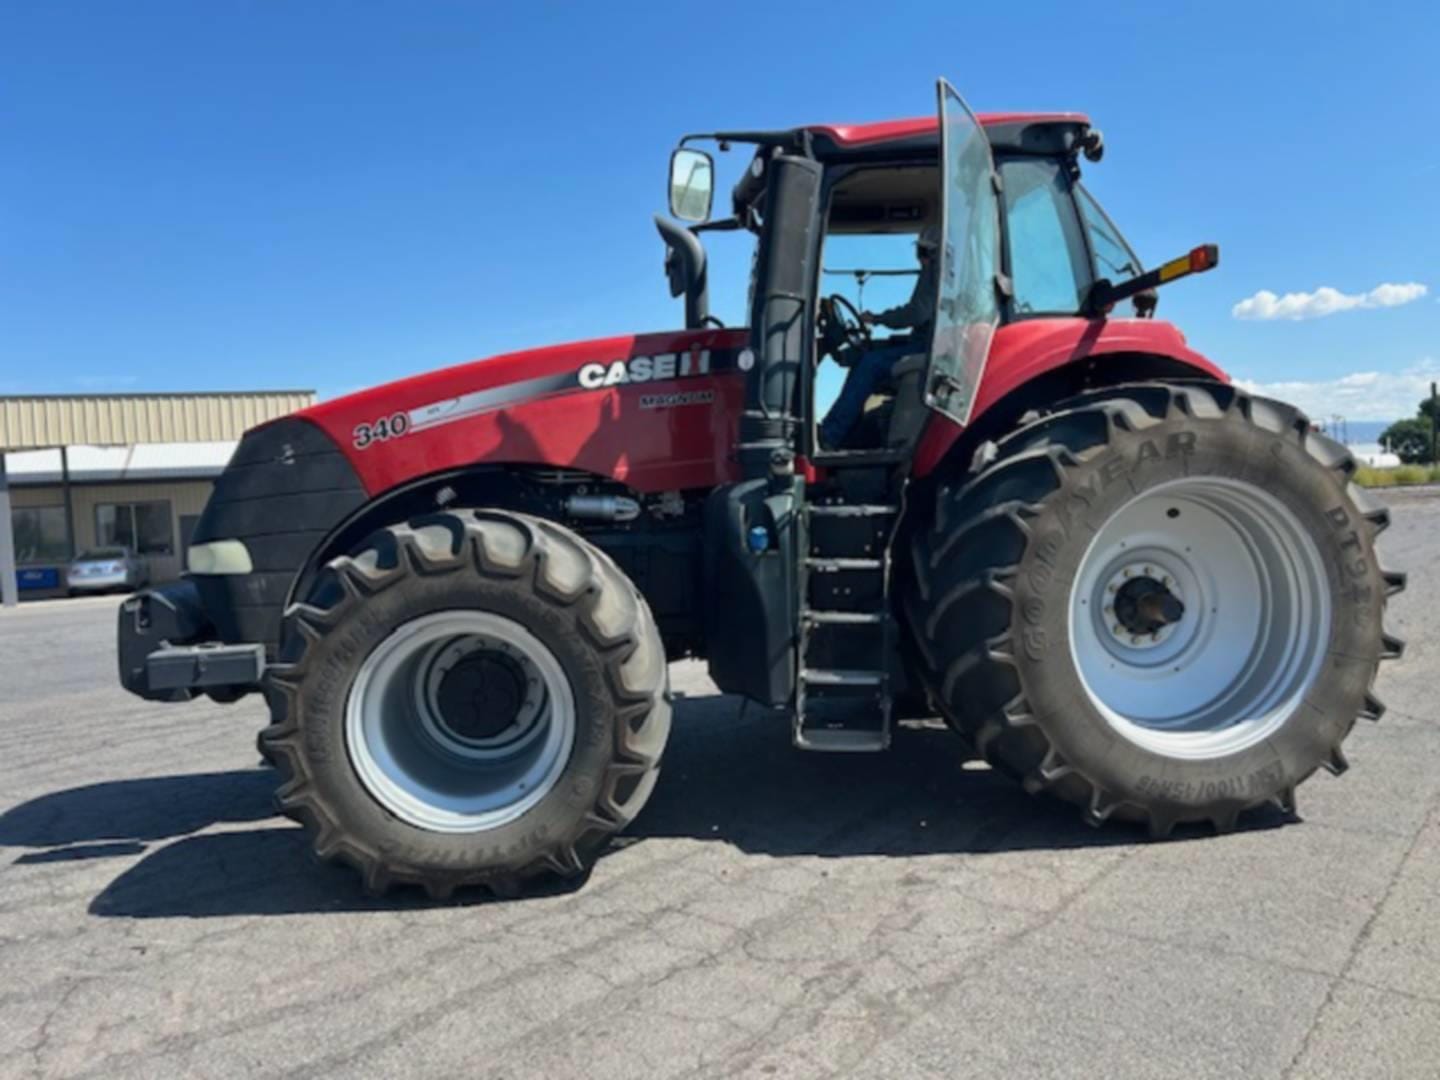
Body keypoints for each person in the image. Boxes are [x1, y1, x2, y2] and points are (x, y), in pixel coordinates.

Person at [819, 224, 940, 449]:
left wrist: (877, 318)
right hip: (926, 343)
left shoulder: (934, 271)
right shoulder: (938, 275)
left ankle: (830, 435)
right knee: (865, 354)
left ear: (932, 253)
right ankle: (845, 434)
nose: (920, 258)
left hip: (931, 348)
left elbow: (916, 313)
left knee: (871, 364)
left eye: (922, 252)